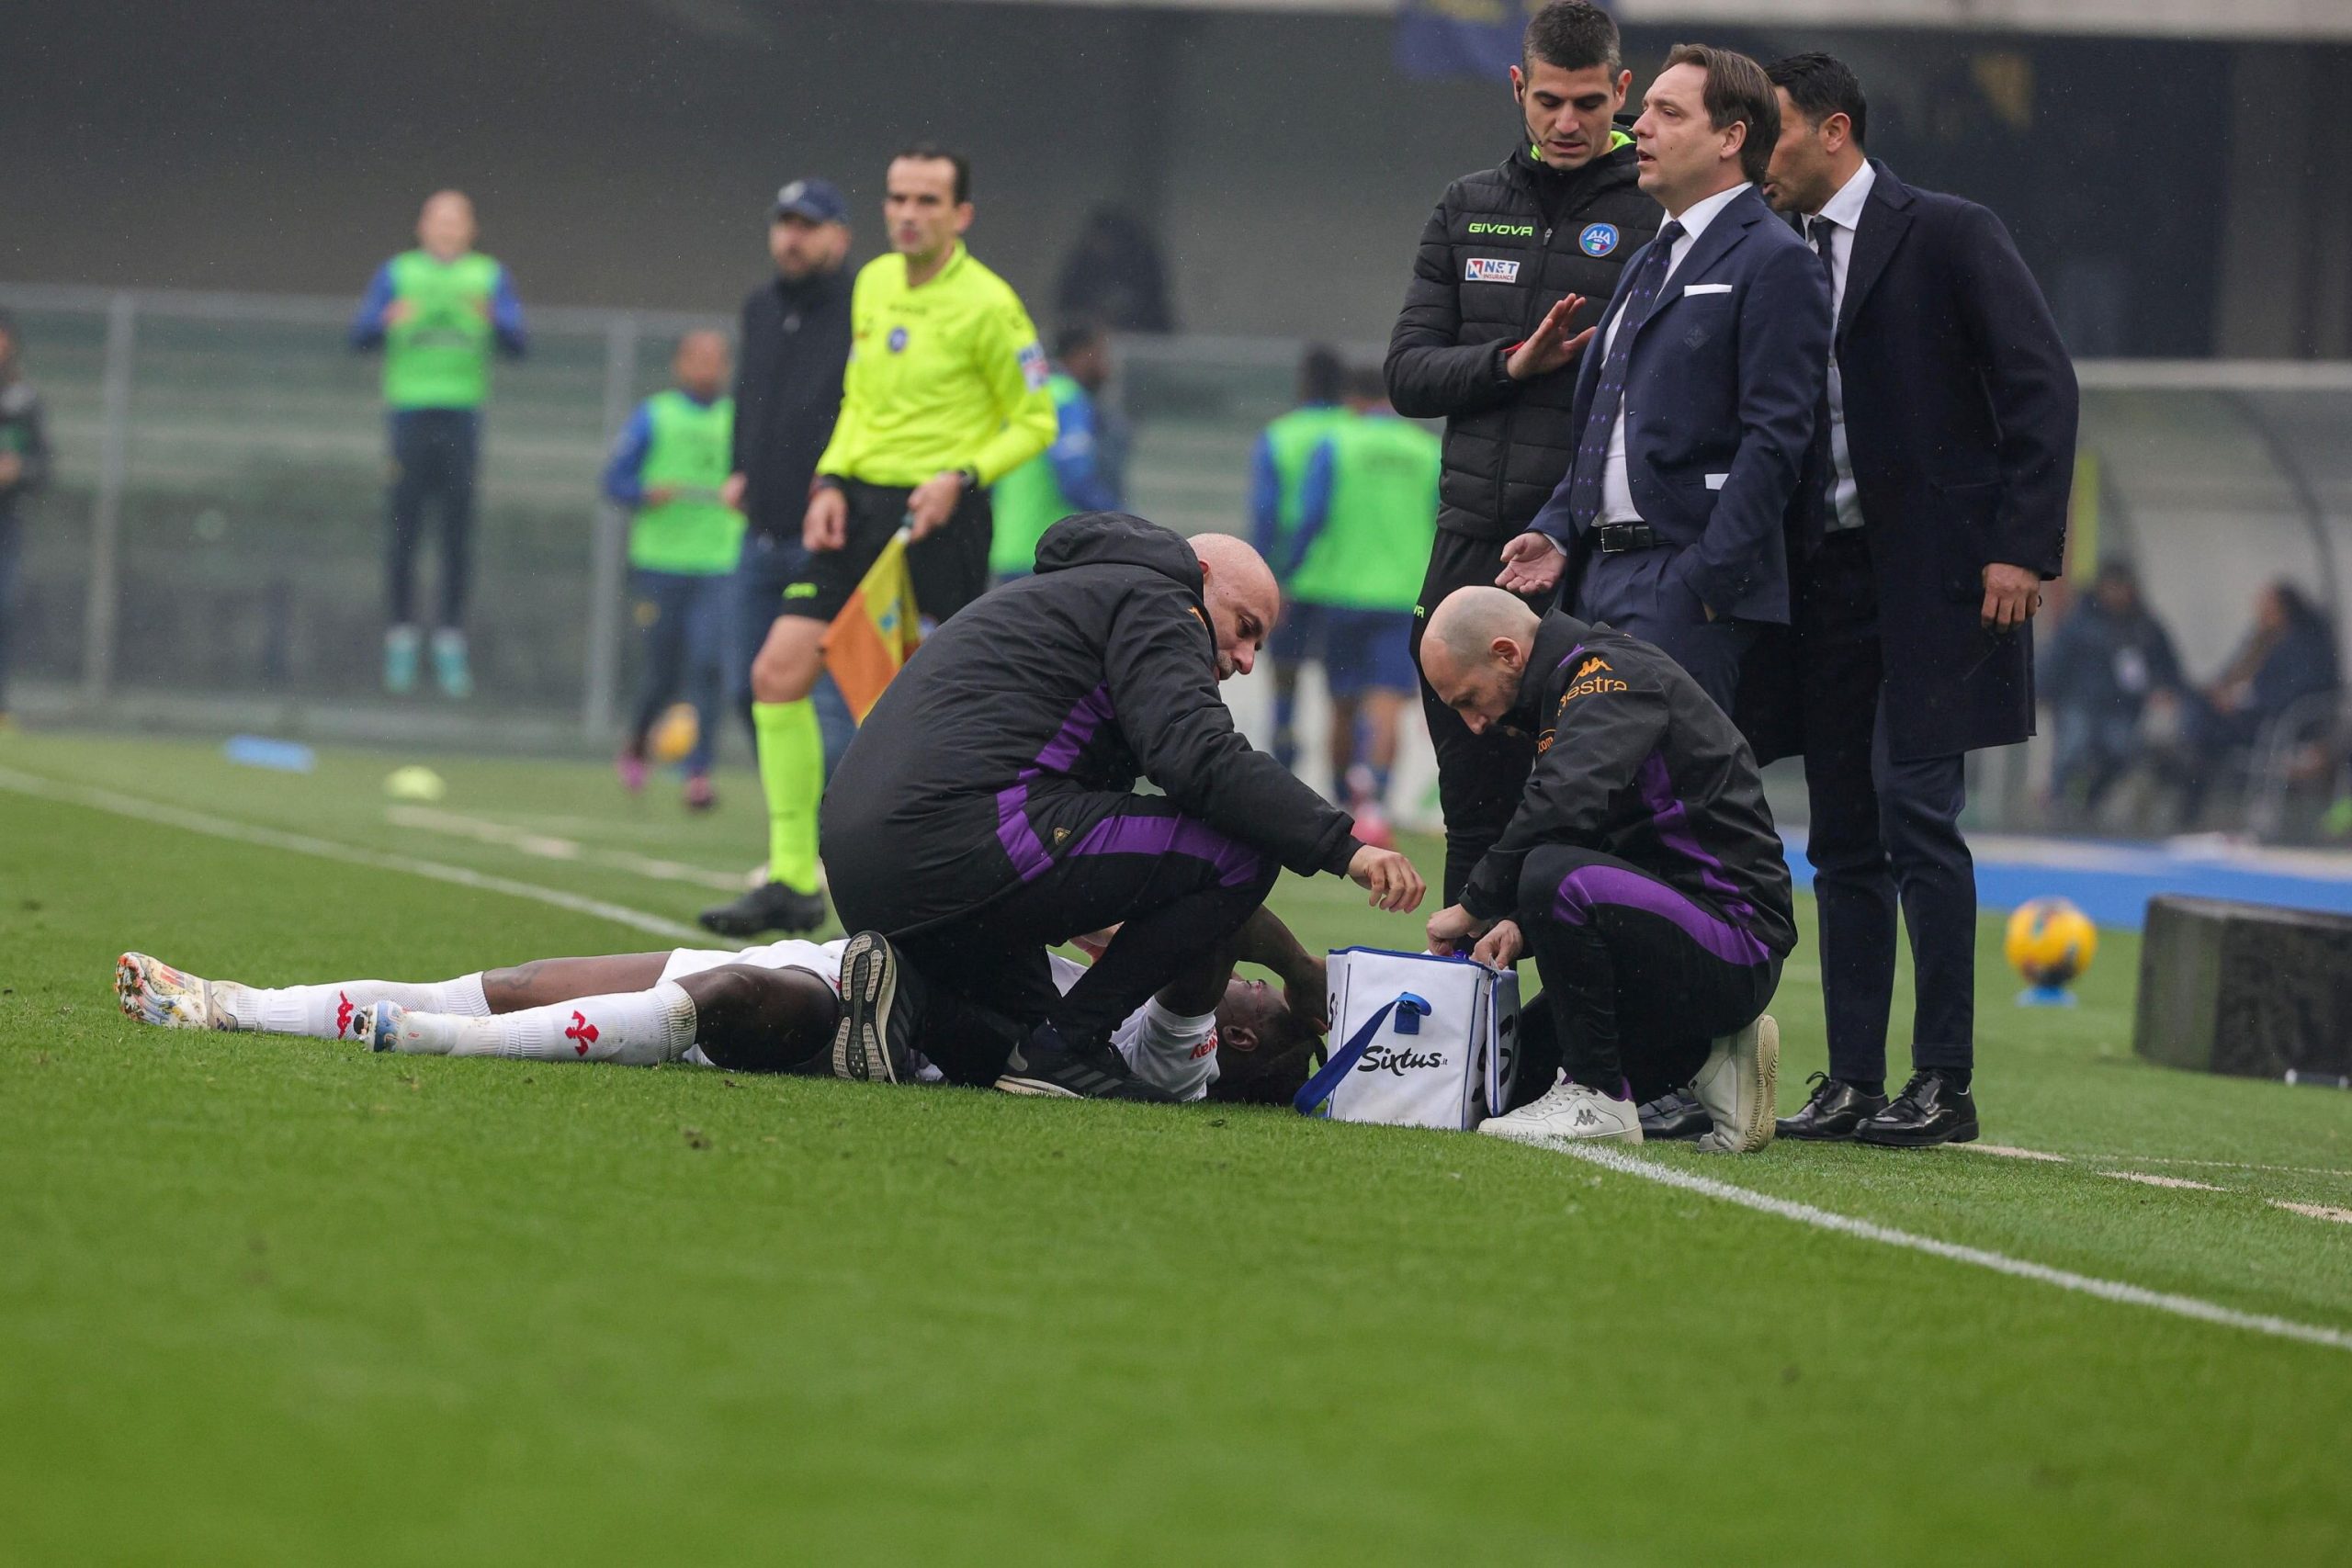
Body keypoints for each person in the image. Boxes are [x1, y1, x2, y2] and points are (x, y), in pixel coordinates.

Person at [820, 515, 1425, 1101]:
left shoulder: (1077, 593)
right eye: (1244, 627)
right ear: (1202, 576)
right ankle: (1068, 1044)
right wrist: (1344, 845)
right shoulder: (1161, 598)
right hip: (966, 835)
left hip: (869, 871)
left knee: (1014, 1051)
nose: (1245, 659)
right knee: (1243, 849)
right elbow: (1197, 758)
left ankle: (907, 998)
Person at [1756, 53, 2077, 1148]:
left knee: (1914, 817)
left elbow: (2040, 381)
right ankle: (1851, 1078)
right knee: (1841, 834)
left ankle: (1942, 1078)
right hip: (1830, 579)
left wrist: (2021, 549)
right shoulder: (1776, 252)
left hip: (1945, 581)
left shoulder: (1946, 230)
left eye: (1777, 133)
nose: (1760, 157)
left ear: (1834, 131)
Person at [699, 145, 1057, 941]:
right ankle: (793, 877)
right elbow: (858, 399)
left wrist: (961, 475)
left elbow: (1037, 419)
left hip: (941, 518)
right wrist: (828, 480)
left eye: (928, 200)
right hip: (855, 508)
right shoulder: (873, 283)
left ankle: (944, 877)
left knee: (917, 712)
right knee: (776, 672)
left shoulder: (990, 304)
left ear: (960, 215)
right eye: (898, 197)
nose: (908, 213)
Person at [113, 900, 1329, 1107]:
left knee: (728, 995)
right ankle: (239, 1003)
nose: (1253, 999)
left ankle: (429, 1043)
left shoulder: (1179, 1057)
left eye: (1266, 1015)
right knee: (529, 976)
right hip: (845, 951)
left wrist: (1311, 976)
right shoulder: (1148, 989)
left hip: (869, 1024)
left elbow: (1216, 917)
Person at [1385, 0, 1661, 903]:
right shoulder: (1467, 208)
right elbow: (1408, 376)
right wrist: (1514, 362)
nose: (1568, 122)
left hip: (1591, 559)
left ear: (1622, 90)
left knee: (1598, 821)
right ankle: (1477, 1042)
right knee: (1472, 814)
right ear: (1517, 89)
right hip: (1470, 548)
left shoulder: (1658, 215)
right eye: (1549, 101)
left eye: (1589, 102)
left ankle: (1582, 1042)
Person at [1503, 43, 1830, 717]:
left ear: (1730, 139)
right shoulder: (1653, 257)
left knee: (1664, 808)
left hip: (1681, 587)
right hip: (1596, 579)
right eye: (1644, 107)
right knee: (1596, 804)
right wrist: (1560, 527)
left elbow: (1777, 439)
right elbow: (1610, 420)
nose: (1639, 126)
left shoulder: (1777, 259)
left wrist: (1705, 580)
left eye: (1667, 112)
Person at [1419, 587, 1794, 1150]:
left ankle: (1598, 1096)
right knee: (1511, 1085)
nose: (1474, 724)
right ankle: (1717, 1056)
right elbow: (1609, 833)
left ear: (1507, 653)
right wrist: (1519, 923)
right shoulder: (1572, 688)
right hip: (1678, 939)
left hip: (1737, 942)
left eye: (1468, 700)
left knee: (1552, 872)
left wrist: (1475, 905)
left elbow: (1564, 804)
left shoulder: (1609, 673)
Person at [349, 190, 526, 700]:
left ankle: (449, 636)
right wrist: (385, 321)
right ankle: (400, 634)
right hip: (409, 415)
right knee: (404, 530)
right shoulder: (398, 273)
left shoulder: (488, 277)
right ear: (422, 227)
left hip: (462, 417)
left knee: (455, 534)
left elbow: (519, 341)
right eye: (438, 220)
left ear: (470, 229)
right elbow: (359, 333)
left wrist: (494, 318)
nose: (447, 230)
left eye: (457, 221)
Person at [724, 178, 859, 784]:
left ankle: (825, 840)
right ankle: (796, 836)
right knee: (746, 688)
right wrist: (738, 466)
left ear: (841, 236)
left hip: (826, 534)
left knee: (829, 709)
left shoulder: (864, 309)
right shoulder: (760, 307)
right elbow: (748, 396)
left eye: (807, 225)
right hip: (761, 532)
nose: (792, 238)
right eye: (785, 224)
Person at [1283, 367, 1441, 843]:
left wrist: (1288, 575)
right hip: (1403, 593)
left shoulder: (1335, 443)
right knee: (1389, 695)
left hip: (1342, 589)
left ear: (1352, 399)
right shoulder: (1426, 450)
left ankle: (1340, 799)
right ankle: (1377, 797)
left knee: (1342, 700)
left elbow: (1310, 516)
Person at [601, 330, 743, 811]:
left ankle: (698, 773)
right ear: (680, 365)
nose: (706, 369)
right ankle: (639, 742)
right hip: (660, 563)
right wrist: (645, 492)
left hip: (719, 563)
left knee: (708, 664)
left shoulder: (738, 421)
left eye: (715, 360)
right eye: (697, 359)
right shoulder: (654, 415)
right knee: (662, 671)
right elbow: (614, 481)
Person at [1250, 345, 1351, 772]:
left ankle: (1282, 763)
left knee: (1285, 674)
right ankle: (1355, 792)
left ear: (1303, 383)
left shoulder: (1279, 435)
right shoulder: (1355, 434)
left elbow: (1267, 515)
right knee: (1345, 687)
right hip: (1346, 581)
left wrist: (1270, 575)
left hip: (1292, 577)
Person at [2172, 581, 2342, 828]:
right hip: (2246, 717)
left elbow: (2295, 690)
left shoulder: (2305, 644)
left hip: (2272, 721)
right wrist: (2220, 692)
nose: (2260, 611)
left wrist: (2243, 699)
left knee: (2203, 736)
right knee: (2196, 708)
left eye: (2266, 605)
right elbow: (2231, 673)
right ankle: (2191, 761)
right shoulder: (2260, 638)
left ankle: (2190, 776)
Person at [2039, 559, 2184, 818]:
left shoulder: (2145, 626)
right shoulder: (2080, 621)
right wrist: (2043, 691)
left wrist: (2163, 688)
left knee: (2120, 754)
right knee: (2071, 750)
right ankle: (2058, 802)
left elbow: (2167, 665)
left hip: (2123, 707)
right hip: (2080, 701)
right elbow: (2057, 658)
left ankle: (2090, 803)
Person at [989, 322, 1125, 581]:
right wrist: (1124, 523)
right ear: (1080, 354)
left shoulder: (1029, 395)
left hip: (1009, 546)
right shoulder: (1067, 399)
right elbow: (1076, 480)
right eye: (1100, 354)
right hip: (1048, 550)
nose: (1107, 367)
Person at [0, 311, 51, 728]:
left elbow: (45, 467)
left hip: (5, 523)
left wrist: (20, 470)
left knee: (2, 610)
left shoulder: (24, 402)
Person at [1053, 206, 1173, 335]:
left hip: (1141, 338)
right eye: (1096, 240)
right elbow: (1069, 307)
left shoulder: (1141, 263)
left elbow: (1152, 305)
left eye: (1104, 239)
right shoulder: (1081, 268)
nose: (1100, 245)